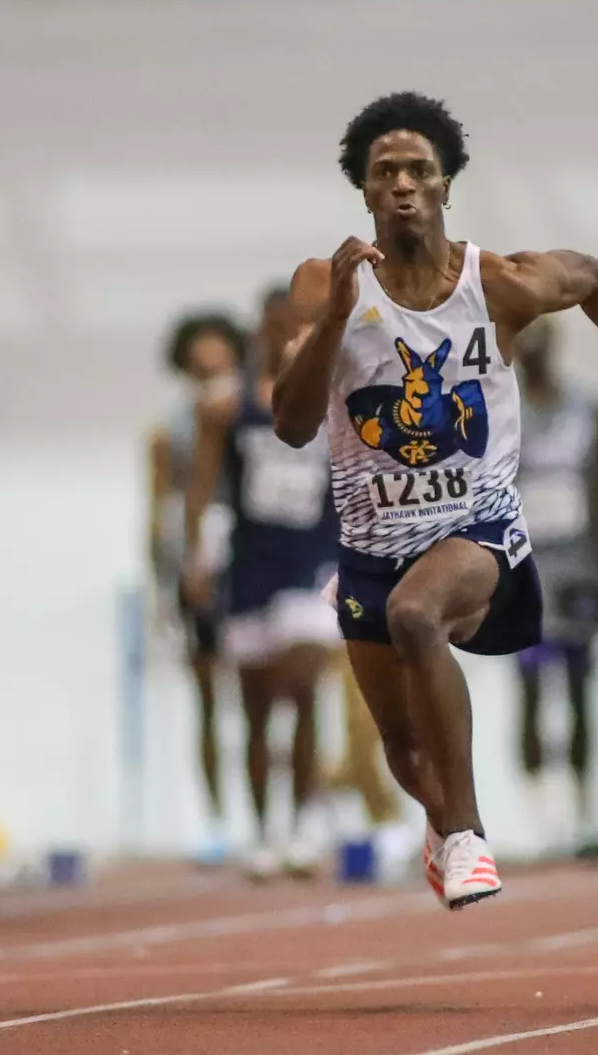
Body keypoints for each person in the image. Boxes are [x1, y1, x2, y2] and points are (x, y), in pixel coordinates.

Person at [273, 91, 598, 909]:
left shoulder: (494, 282)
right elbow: (292, 424)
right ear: (361, 191)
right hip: (370, 543)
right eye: (384, 172)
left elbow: (594, 278)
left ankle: (467, 833)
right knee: (400, 746)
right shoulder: (325, 285)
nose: (401, 184)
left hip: (477, 529)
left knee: (416, 615)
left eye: (418, 171)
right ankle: (442, 820)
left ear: (445, 186)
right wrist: (331, 320)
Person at [182, 292, 341, 880]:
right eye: (278, 330)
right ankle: (264, 831)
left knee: (302, 685)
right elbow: (200, 486)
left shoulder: (337, 401)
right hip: (251, 564)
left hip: (312, 563)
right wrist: (195, 557)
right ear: (261, 336)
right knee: (252, 709)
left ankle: (303, 823)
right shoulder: (227, 409)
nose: (287, 341)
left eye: (299, 330)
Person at [510, 315, 598, 860]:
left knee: (579, 693)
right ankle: (541, 815)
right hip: (524, 568)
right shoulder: (501, 416)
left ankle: (583, 813)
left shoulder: (590, 410)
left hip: (576, 565)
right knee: (529, 689)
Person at [146, 309, 248, 865]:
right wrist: (162, 586)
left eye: (220, 366)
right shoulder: (172, 431)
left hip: (252, 561)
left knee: (269, 691)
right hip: (198, 566)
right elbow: (158, 509)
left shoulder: (256, 413)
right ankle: (214, 816)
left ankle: (280, 813)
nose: (210, 378)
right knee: (209, 698)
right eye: (199, 369)